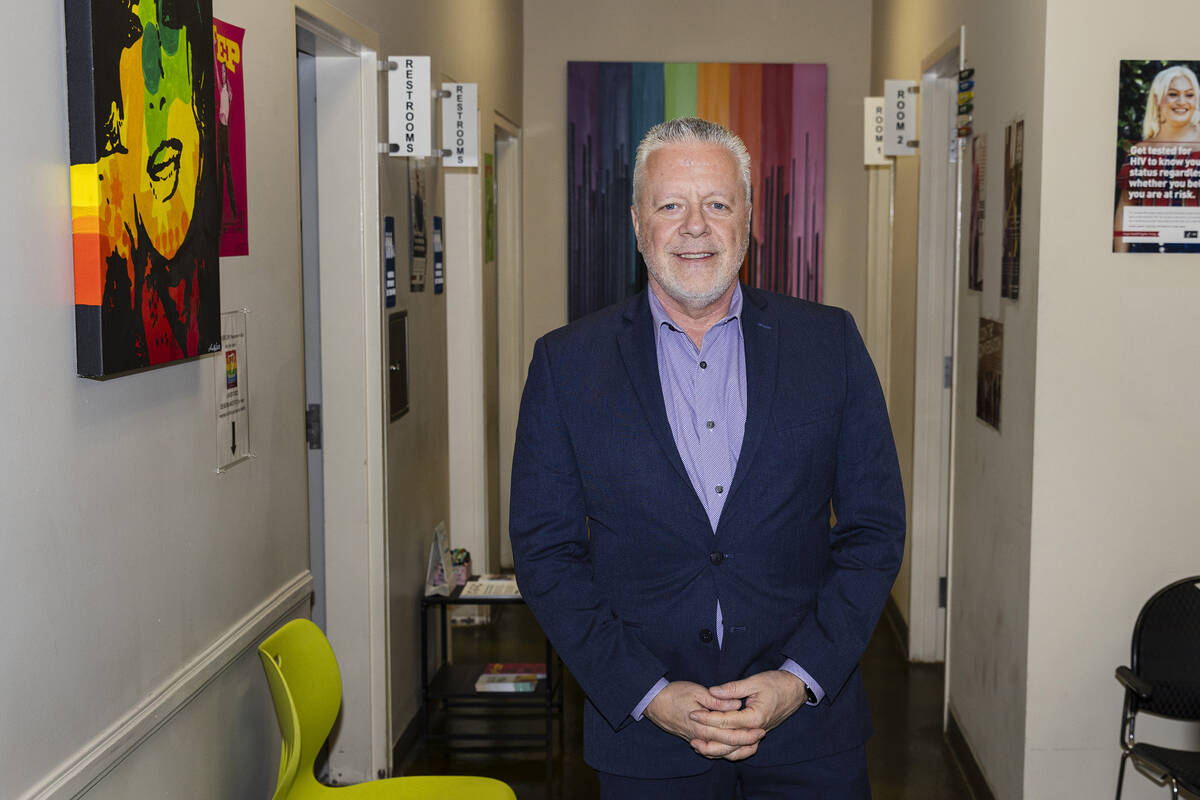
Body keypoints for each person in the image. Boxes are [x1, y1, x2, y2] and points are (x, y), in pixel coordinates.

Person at [509, 117, 905, 798]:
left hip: (812, 733)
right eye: (671, 205)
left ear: (749, 218)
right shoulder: (566, 364)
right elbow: (546, 554)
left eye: (717, 203)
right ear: (638, 224)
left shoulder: (829, 344)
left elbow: (874, 530)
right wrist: (648, 692)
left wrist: (798, 678)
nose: (695, 226)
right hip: (646, 741)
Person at [89, 0, 219, 372]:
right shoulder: (114, 258)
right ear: (114, 118)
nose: (154, 73)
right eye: (133, 34)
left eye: (169, 24)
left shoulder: (201, 291)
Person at [1114, 64, 1200, 253]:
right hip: (1145, 253)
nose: (1182, 101)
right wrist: (1120, 259)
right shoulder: (1139, 152)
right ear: (1157, 98)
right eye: (1173, 94)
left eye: (1189, 95)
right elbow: (1126, 208)